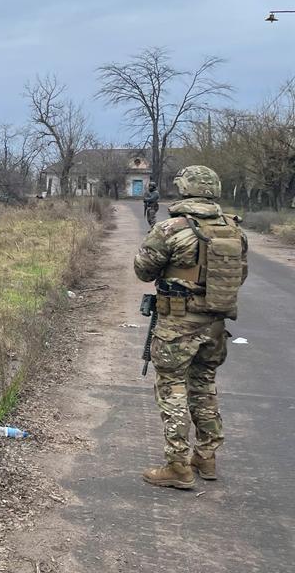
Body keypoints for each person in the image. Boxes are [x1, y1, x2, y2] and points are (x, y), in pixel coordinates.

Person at [133, 166, 247, 489]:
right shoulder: (234, 230)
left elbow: (142, 269)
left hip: (176, 326)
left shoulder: (171, 229)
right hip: (215, 324)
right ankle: (207, 457)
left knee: (172, 388)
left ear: (185, 190)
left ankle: (178, 465)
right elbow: (241, 274)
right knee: (204, 385)